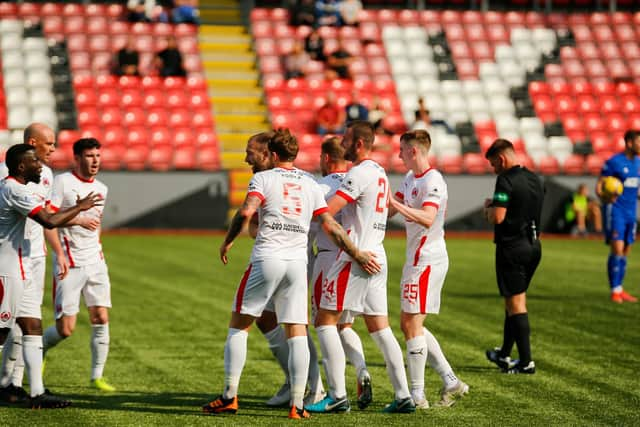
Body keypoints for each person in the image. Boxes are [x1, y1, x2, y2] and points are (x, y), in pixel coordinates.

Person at [201, 129, 379, 419]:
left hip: (268, 258)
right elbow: (330, 225)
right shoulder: (311, 183)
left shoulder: (263, 178)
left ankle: (229, 396)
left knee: (239, 325)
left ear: (272, 154)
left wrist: (228, 240)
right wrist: (356, 252)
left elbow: (246, 212)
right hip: (298, 264)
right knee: (297, 331)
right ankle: (298, 404)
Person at [306, 121, 415, 414]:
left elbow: (328, 212)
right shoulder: (380, 172)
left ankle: (337, 395)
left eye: (346, 139)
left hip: (355, 257)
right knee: (380, 327)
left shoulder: (359, 172)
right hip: (377, 253)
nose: (342, 144)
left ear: (358, 144)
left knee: (326, 321)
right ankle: (404, 395)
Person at [0, 144, 101, 408]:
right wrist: (80, 208)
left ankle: (36, 393)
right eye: (35, 161)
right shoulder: (13, 189)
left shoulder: (18, 188)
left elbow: (50, 216)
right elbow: (49, 221)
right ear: (21, 167)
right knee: (1, 333)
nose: (40, 166)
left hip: (21, 270)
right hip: (6, 273)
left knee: (32, 328)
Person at [388, 130, 469, 408]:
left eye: (401, 150)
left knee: (411, 324)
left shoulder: (434, 180)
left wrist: (395, 203)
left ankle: (417, 394)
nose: (398, 155)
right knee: (410, 323)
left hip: (428, 259)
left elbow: (427, 217)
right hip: (416, 259)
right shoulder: (410, 179)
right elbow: (389, 209)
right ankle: (450, 381)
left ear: (413, 151)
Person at [244, 132, 326, 408]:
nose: (248, 159)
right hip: (277, 256)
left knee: (295, 325)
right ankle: (295, 381)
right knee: (267, 320)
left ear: (269, 154)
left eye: (252, 152)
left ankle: (314, 386)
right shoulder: (266, 181)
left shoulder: (278, 180)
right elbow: (254, 225)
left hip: (293, 257)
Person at [42, 138, 116, 392]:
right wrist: (59, 252)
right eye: (89, 155)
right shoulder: (62, 182)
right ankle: (40, 348)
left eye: (98, 155)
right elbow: (48, 220)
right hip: (69, 263)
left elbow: (97, 223)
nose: (95, 160)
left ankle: (97, 376)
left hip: (95, 261)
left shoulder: (102, 188)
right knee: (66, 329)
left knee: (101, 316)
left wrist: (97, 246)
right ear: (77, 158)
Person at [309, 137, 371, 409]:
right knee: (344, 324)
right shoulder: (353, 183)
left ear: (325, 159)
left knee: (323, 323)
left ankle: (334, 392)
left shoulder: (319, 187)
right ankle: (361, 369)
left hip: (327, 260)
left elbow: (312, 225)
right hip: (353, 257)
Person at [483, 138, 543, 375]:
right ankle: (505, 353)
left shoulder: (505, 180)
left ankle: (526, 361)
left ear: (502, 159)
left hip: (512, 247)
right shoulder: (535, 179)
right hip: (534, 246)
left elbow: (497, 217)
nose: (493, 169)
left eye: (493, 164)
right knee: (513, 300)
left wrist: (487, 208)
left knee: (516, 304)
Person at [596, 130, 640, 303]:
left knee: (626, 251)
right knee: (617, 249)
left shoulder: (638, 163)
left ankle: (620, 288)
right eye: (638, 141)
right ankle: (614, 290)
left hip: (631, 212)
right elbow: (599, 188)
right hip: (616, 211)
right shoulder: (614, 162)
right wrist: (607, 197)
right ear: (629, 143)